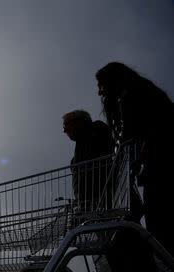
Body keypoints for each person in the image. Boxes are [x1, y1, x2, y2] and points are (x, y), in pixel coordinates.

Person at [96, 62, 174, 258]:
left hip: (161, 165)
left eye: (101, 85)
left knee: (159, 224)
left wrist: (117, 170)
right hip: (159, 161)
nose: (100, 92)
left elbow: (129, 135)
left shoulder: (130, 96)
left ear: (111, 81)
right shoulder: (145, 91)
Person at [62, 109, 114, 211]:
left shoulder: (97, 129)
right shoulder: (76, 156)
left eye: (66, 126)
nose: (65, 131)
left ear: (78, 121)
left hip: (102, 195)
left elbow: (104, 153)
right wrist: (79, 199)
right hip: (89, 203)